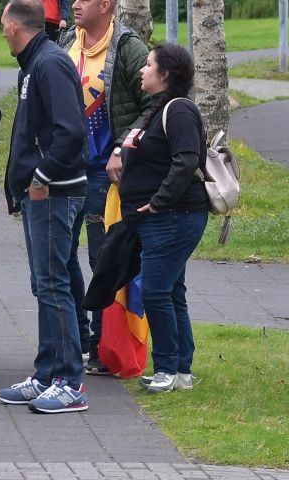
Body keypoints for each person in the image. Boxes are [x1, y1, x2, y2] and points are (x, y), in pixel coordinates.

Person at [0, 0, 90, 414]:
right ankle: (47, 374)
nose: (2, 32)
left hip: (54, 193)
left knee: (53, 284)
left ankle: (69, 382)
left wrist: (41, 177)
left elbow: (71, 131)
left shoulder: (49, 64)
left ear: (16, 27)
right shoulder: (34, 64)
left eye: (4, 24)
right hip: (43, 192)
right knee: (46, 283)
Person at [58, 0, 151, 375]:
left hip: (103, 176)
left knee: (103, 260)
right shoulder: (66, 41)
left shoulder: (128, 47)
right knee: (60, 257)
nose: (75, 4)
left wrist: (120, 149)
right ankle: (77, 337)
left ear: (105, 6)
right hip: (65, 170)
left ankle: (103, 346)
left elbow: (155, 103)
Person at [116, 43, 209, 394]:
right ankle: (181, 370)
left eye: (148, 64)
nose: (142, 70)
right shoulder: (159, 108)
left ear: (165, 74)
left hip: (173, 216)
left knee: (155, 292)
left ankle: (167, 368)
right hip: (162, 217)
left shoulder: (179, 110)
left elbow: (187, 160)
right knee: (171, 291)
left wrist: (158, 202)